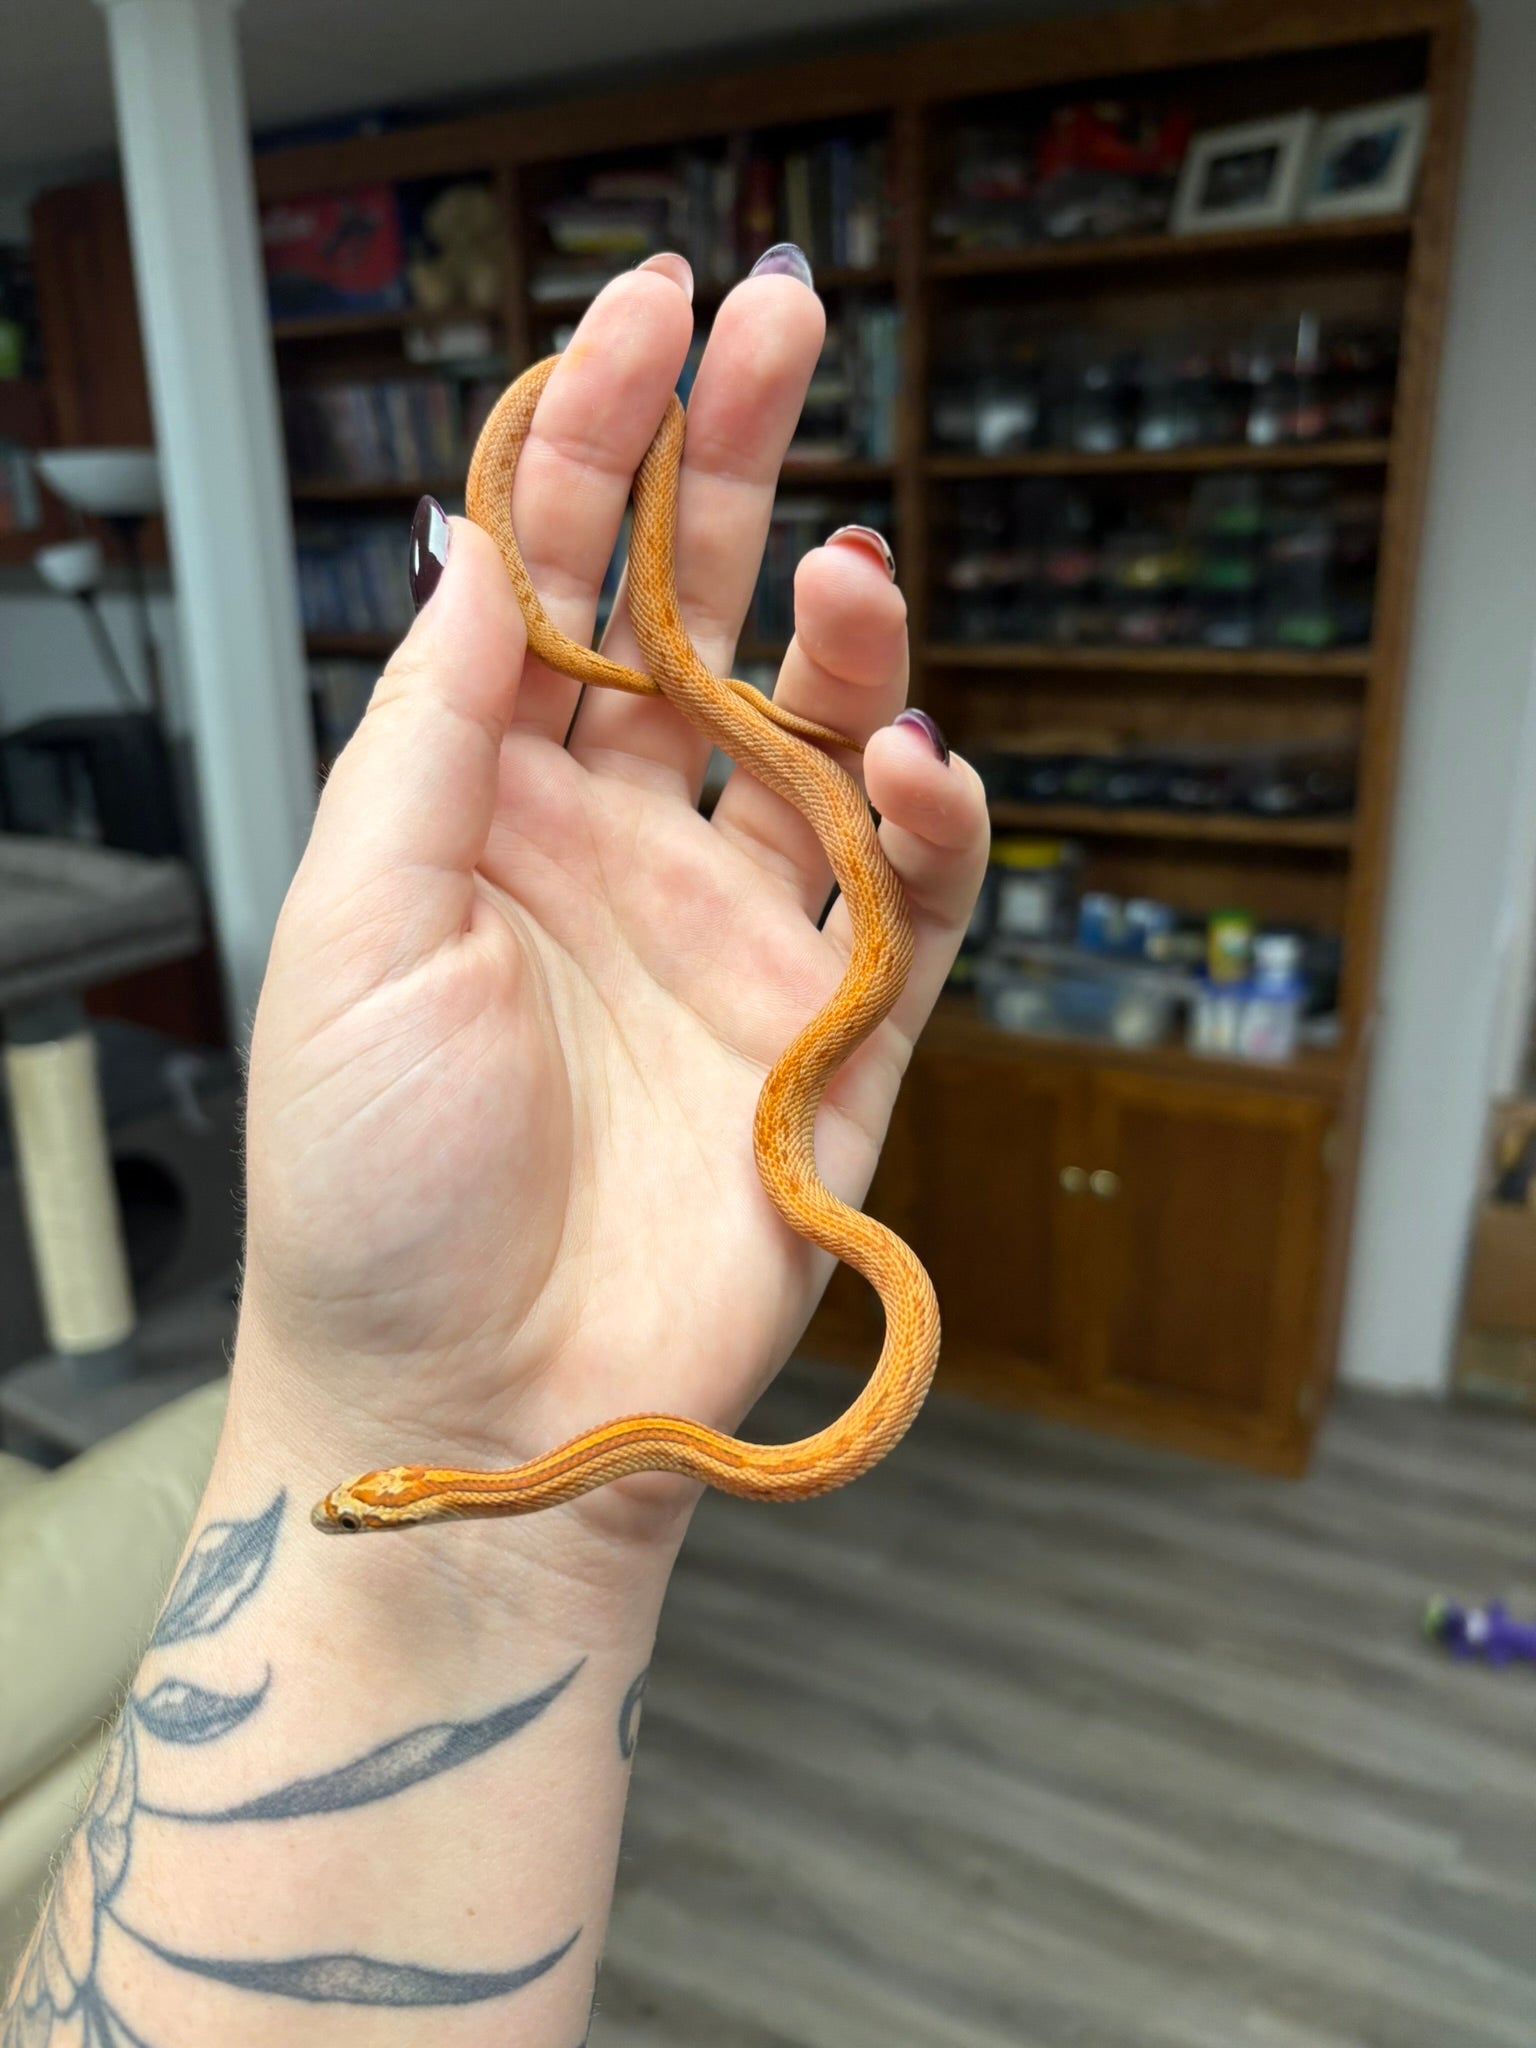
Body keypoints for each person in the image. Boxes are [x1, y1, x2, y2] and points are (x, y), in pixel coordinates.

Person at [3, 246, 989, 2047]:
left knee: (834, 825)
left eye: (380, 1493)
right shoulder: (481, 1455)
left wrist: (404, 1452)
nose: (373, 1499)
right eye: (389, 1496)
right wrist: (371, 1412)